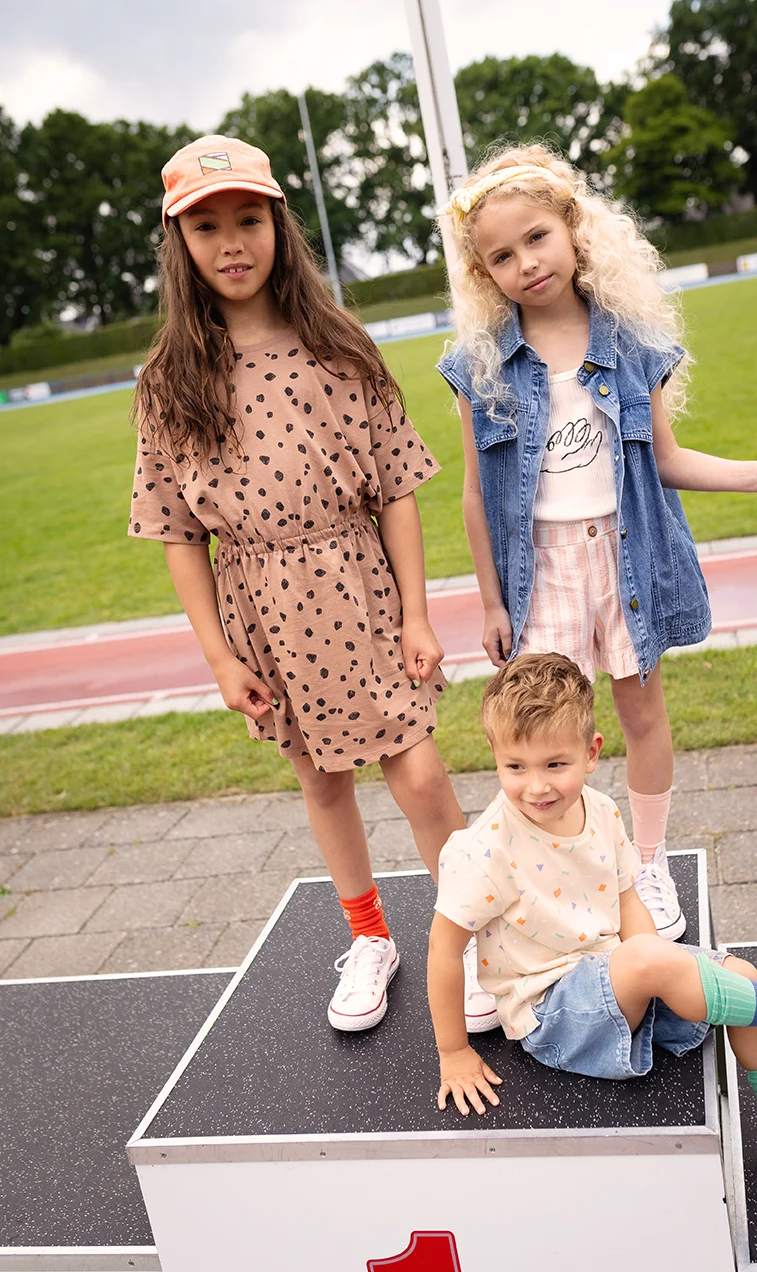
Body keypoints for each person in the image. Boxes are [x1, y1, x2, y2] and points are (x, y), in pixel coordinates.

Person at [128, 135, 496, 1035]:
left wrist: (416, 614)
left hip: (360, 589)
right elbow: (177, 535)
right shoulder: (168, 383)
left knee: (420, 774)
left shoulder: (340, 347)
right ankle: (369, 936)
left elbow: (397, 489)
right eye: (207, 227)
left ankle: (471, 936)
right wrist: (220, 659)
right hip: (263, 608)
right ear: (180, 244)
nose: (231, 243)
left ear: (279, 226)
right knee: (322, 779)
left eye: (248, 220)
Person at [435, 144, 757, 942]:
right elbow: (476, 493)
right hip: (539, 572)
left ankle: (646, 864)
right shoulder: (481, 365)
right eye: (501, 256)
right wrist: (490, 601)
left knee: (641, 714)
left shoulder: (628, 343)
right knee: (542, 732)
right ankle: (557, 876)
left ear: (572, 228)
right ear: (484, 273)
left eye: (537, 237)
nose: (525, 263)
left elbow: (667, 459)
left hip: (625, 559)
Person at [428, 653, 757, 1185]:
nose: (537, 786)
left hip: (619, 979)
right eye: (516, 767)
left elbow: (627, 901)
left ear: (591, 753)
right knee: (654, 960)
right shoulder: (483, 850)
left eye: (555, 765)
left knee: (741, 975)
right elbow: (442, 950)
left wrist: (661, 968)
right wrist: (453, 1051)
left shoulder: (601, 811)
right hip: (551, 1014)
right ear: (495, 757)